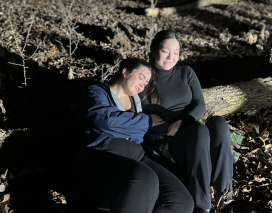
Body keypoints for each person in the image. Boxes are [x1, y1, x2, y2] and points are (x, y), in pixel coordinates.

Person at [76, 58, 194, 213]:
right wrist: (146, 121)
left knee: (182, 201)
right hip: (103, 153)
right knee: (145, 178)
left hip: (137, 153)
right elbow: (104, 121)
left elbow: (135, 133)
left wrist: (129, 125)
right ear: (125, 72)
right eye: (141, 78)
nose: (143, 85)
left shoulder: (138, 103)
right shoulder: (97, 92)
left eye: (146, 83)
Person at [139, 30, 234, 213]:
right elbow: (143, 112)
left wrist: (182, 122)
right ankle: (203, 203)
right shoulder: (145, 79)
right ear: (152, 50)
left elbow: (200, 103)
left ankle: (225, 195)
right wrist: (172, 126)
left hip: (192, 129)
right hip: (168, 139)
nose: (171, 57)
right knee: (199, 130)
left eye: (176, 53)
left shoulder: (186, 72)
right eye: (165, 51)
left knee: (219, 123)